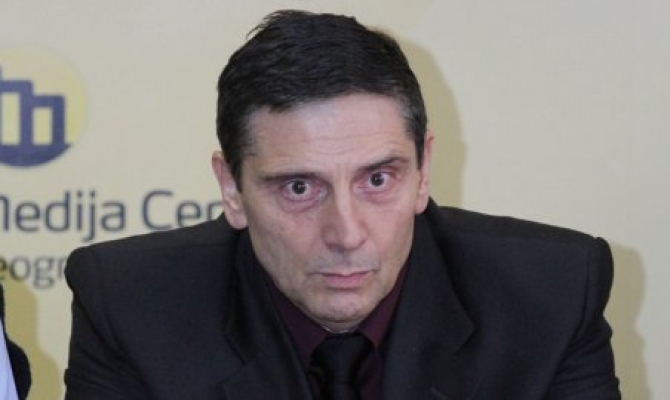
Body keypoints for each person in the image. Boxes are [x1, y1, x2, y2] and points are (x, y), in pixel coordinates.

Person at [64, 10, 621, 400]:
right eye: (299, 188)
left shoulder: (551, 297)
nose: (346, 233)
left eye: (377, 179)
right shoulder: (130, 307)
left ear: (424, 172)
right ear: (232, 189)